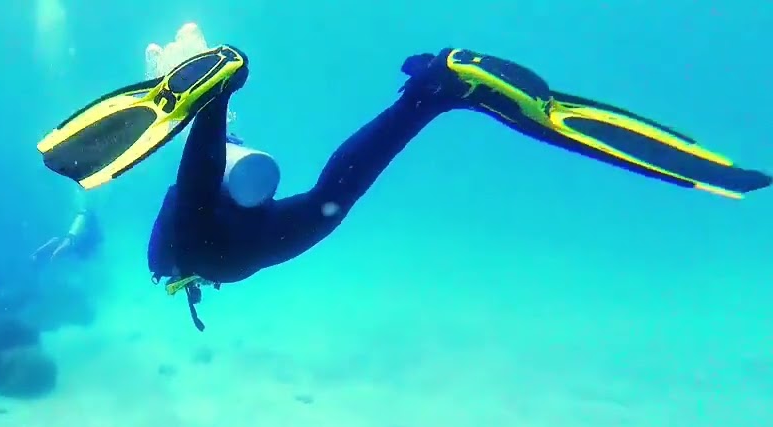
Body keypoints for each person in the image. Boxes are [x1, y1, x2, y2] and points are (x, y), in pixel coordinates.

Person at [38, 46, 771, 331]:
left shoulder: (181, 256)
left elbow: (184, 220)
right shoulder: (222, 187)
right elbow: (196, 192)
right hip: (259, 234)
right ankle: (436, 92)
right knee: (335, 190)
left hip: (239, 253)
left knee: (321, 197)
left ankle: (221, 89)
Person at [33, 190, 104, 262]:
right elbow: (81, 218)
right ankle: (59, 243)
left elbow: (81, 219)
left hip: (81, 244)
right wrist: (69, 238)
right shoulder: (87, 213)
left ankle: (55, 244)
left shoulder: (87, 213)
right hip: (81, 245)